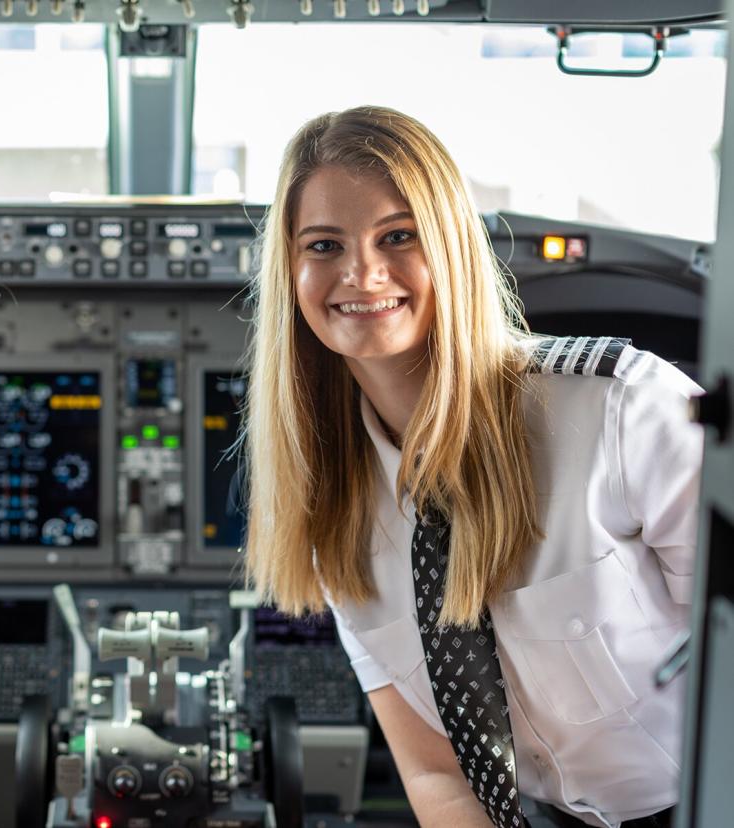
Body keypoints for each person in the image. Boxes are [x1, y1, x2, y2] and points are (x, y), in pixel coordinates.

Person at [242, 106, 700, 828]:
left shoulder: (626, 412)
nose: (361, 272)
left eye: (398, 236)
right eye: (324, 245)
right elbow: (435, 770)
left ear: (451, 245)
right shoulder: (331, 505)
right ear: (291, 275)